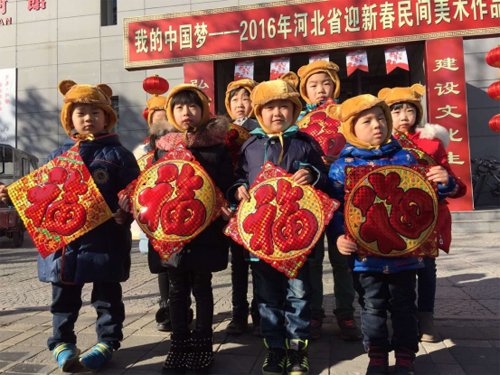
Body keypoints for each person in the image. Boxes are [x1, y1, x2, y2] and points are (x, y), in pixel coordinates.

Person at [0, 80, 140, 372]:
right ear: (69, 119)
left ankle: (107, 342)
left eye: (95, 112)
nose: (88, 118)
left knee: (107, 297)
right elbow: (41, 194)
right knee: (63, 298)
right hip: (65, 246)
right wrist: (13, 193)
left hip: (106, 241)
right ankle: (62, 343)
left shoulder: (119, 156)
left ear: (107, 117)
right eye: (80, 113)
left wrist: (124, 212)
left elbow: (136, 192)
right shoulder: (57, 156)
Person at [329, 94, 457, 375]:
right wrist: (339, 236)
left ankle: (405, 357)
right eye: (367, 120)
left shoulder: (409, 157)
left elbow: (432, 194)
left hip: (405, 253)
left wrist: (446, 182)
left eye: (380, 119)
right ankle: (376, 357)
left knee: (404, 306)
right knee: (371, 307)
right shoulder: (342, 167)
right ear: (351, 128)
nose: (377, 125)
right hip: (364, 257)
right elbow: (336, 210)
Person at [129, 84, 233, 374]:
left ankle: (202, 343)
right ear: (171, 113)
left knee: (202, 286)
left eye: (193, 106)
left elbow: (227, 182)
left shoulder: (217, 147)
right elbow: (150, 185)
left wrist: (228, 203)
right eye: (179, 107)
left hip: (205, 231)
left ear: (203, 110)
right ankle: (179, 343)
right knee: (176, 289)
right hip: (170, 232)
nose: (186, 113)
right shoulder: (160, 148)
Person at [229, 75, 328, 375]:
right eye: (270, 107)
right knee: (267, 296)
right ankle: (275, 349)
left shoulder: (305, 143)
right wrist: (237, 189)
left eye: (284, 106)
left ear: (295, 109)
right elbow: (239, 177)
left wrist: (311, 174)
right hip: (261, 240)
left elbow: (323, 176)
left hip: (298, 238)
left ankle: (298, 350)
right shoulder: (250, 146)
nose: (277, 113)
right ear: (259, 113)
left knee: (299, 294)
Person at [379, 84, 467, 343]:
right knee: (390, 269)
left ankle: (425, 317)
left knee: (426, 268)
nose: (404, 116)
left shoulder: (432, 144)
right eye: (396, 110)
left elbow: (456, 186)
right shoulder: (379, 143)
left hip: (427, 219)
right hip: (390, 218)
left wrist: (446, 181)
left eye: (410, 110)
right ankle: (394, 317)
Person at [296, 60, 360, 341]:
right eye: (313, 85)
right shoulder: (298, 123)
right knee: (311, 259)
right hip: (310, 199)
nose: (320, 89)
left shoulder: (349, 117)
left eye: (325, 83)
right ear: (304, 91)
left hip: (342, 196)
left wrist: (342, 160)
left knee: (343, 257)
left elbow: (362, 148)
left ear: (335, 85)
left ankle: (345, 313)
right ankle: (314, 312)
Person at [133, 88, 194, 333]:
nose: (159, 120)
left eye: (162, 114)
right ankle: (165, 304)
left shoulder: (179, 142)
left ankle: (181, 307)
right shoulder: (144, 149)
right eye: (154, 116)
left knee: (182, 265)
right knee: (162, 265)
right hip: (154, 217)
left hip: (180, 213)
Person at [224, 79, 261, 335]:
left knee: (259, 263)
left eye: (246, 98)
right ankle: (239, 314)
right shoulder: (220, 133)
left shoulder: (262, 131)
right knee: (238, 264)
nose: (240, 104)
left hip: (260, 207)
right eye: (235, 99)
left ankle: (260, 312)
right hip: (234, 205)